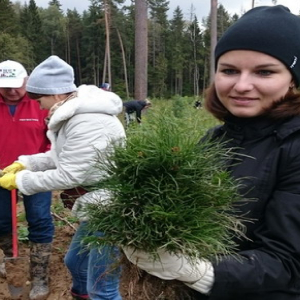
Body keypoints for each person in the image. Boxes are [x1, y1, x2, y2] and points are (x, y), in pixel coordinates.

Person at [123, 5, 300, 300]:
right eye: (229, 70)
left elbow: (289, 264)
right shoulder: (215, 139)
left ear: (293, 79)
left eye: (264, 72)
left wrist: (197, 271)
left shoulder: (293, 148)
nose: (242, 85)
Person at [0, 55, 126, 300]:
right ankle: (81, 295)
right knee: (75, 264)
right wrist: (25, 163)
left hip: (109, 206)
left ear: (56, 94)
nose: (37, 106)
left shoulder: (87, 121)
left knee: (103, 288)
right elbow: (59, 156)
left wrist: (21, 181)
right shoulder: (74, 116)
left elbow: (68, 174)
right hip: (96, 203)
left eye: (40, 99)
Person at [0, 60, 53, 300]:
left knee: (40, 220)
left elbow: (53, 140)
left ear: (26, 80)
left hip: (35, 173)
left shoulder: (40, 103)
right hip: (1, 174)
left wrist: (44, 162)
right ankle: (13, 266)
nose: (11, 91)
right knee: (2, 222)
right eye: (5, 86)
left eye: (16, 85)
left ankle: (40, 276)